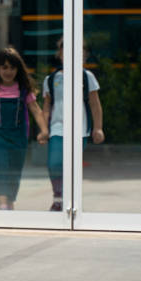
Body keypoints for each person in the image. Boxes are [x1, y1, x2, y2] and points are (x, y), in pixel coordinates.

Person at [0, 48, 49, 210]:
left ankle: (10, 201)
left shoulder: (24, 90)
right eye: (4, 67)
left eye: (12, 67)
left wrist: (44, 130)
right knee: (2, 166)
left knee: (15, 170)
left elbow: (36, 110)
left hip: (19, 137)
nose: (8, 71)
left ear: (18, 69)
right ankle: (3, 204)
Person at [42, 38, 105, 211]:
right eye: (65, 51)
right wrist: (43, 128)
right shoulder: (51, 78)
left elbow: (94, 103)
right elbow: (47, 106)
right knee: (54, 163)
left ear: (83, 55)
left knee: (72, 165)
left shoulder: (86, 76)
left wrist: (98, 128)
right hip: (57, 128)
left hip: (79, 130)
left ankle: (71, 200)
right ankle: (58, 197)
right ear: (60, 54)